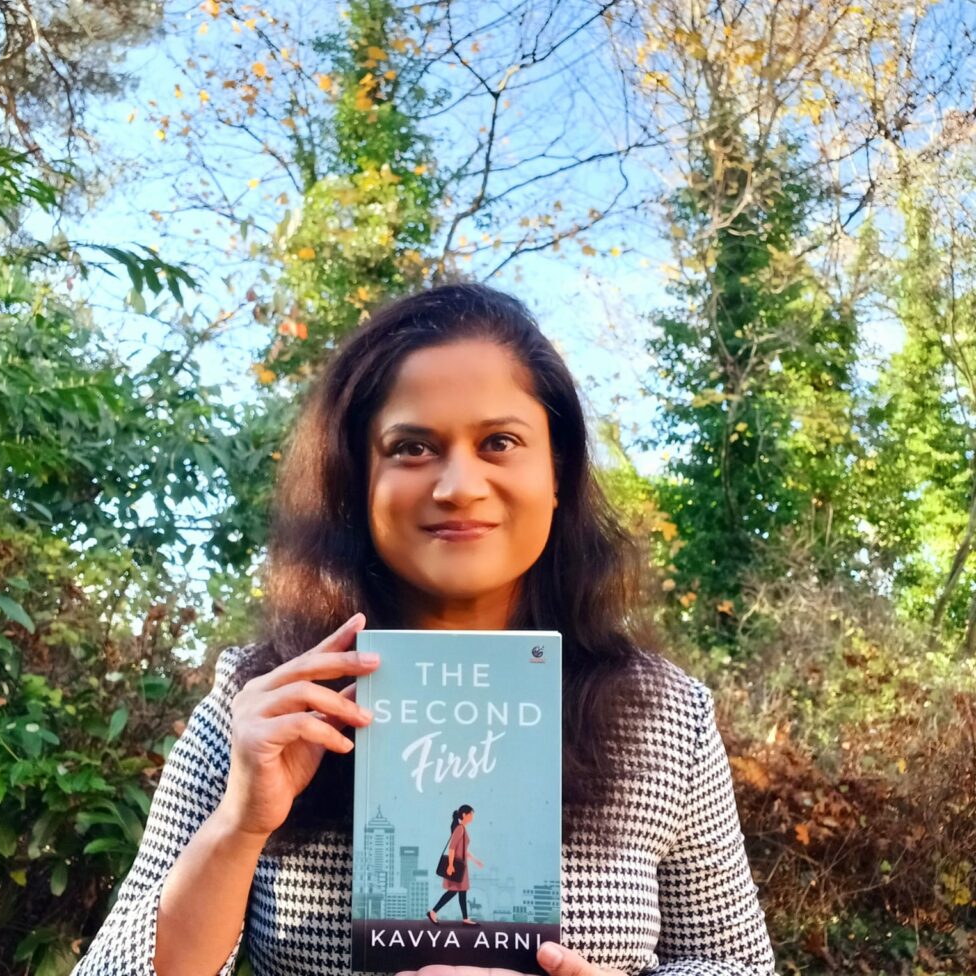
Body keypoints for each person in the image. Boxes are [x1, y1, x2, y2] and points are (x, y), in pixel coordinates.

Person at [73, 283, 777, 976]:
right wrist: (239, 824)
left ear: (558, 470)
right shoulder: (268, 702)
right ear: (358, 478)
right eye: (412, 447)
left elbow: (735, 964)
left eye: (499, 442)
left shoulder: (663, 714)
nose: (458, 486)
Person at [428, 804, 484, 926]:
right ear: (464, 815)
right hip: (456, 866)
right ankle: (433, 912)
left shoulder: (462, 828)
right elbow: (452, 848)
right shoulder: (460, 829)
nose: (472, 817)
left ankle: (465, 919)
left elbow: (463, 850)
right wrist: (450, 865)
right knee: (453, 891)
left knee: (462, 891)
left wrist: (475, 860)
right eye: (471, 815)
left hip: (461, 865)